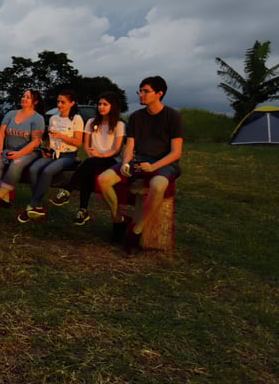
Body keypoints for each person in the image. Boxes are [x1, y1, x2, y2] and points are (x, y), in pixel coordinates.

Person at [97, 76, 183, 253]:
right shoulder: (136, 117)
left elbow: (176, 152)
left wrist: (154, 167)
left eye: (146, 91)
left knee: (157, 186)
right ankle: (119, 221)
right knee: (103, 180)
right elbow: (130, 146)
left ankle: (136, 231)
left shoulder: (172, 116)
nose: (141, 94)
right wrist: (126, 163)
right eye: (140, 91)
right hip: (139, 160)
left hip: (164, 163)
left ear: (159, 93)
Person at [48, 92, 125, 226]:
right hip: (93, 159)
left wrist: (101, 156)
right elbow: (86, 145)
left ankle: (68, 190)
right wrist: (91, 155)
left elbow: (117, 149)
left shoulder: (119, 125)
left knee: (89, 165)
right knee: (88, 171)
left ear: (113, 106)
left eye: (105, 104)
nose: (101, 107)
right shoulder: (90, 122)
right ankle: (82, 211)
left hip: (111, 160)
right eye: (99, 104)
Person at [17, 89, 85, 223]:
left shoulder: (76, 119)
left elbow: (78, 142)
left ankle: (32, 205)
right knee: (33, 169)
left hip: (68, 155)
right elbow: (50, 139)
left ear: (72, 103)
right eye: (58, 101)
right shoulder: (54, 118)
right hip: (52, 154)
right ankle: (37, 205)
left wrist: (61, 136)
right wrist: (47, 147)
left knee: (47, 171)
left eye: (63, 102)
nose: (59, 105)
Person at [0, 90, 45, 209]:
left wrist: (20, 153)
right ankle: (5, 197)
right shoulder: (11, 114)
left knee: (16, 163)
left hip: (29, 151)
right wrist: (0, 148)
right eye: (23, 96)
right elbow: (1, 133)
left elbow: (36, 141)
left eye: (28, 97)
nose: (24, 98)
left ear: (35, 102)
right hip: (9, 149)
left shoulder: (37, 118)